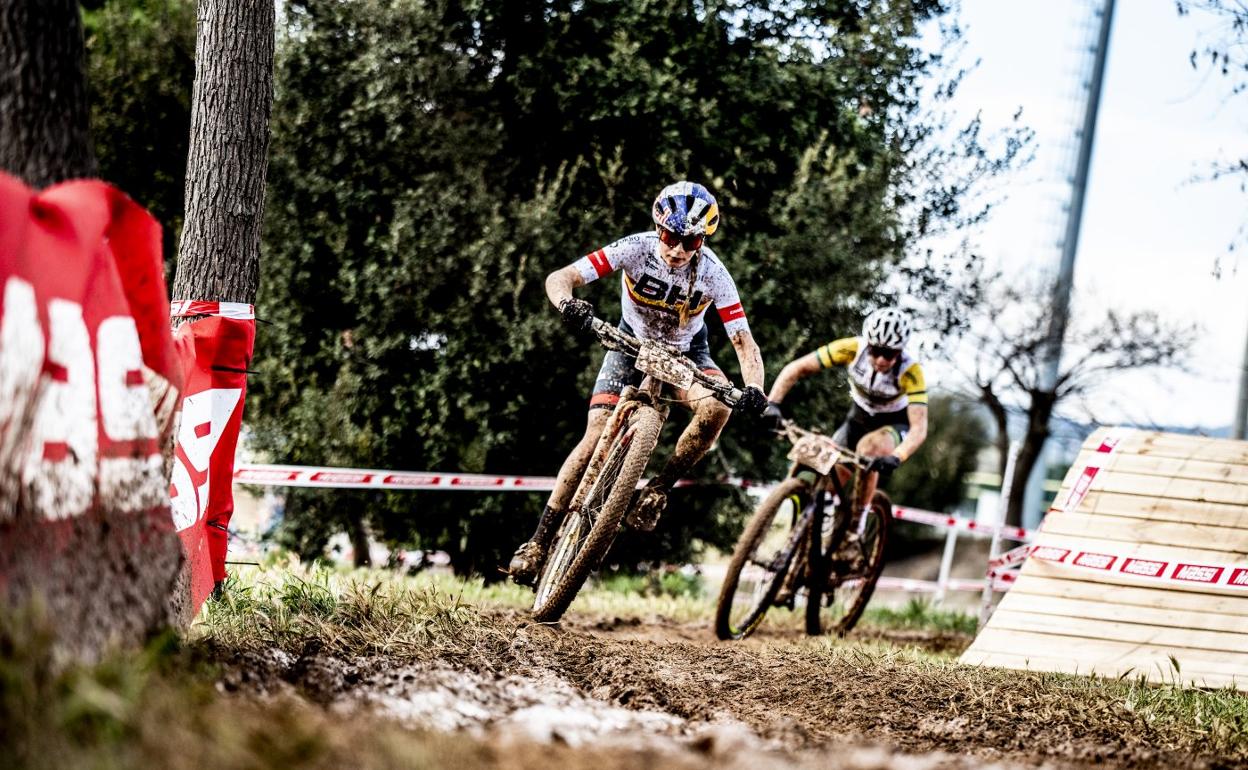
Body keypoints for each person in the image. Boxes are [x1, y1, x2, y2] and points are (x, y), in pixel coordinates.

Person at [507, 181, 768, 585]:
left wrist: (755, 388)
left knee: (718, 407)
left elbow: (742, 340)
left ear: (701, 240)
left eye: (691, 241)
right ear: (658, 228)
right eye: (670, 236)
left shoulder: (715, 274)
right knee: (594, 436)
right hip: (629, 343)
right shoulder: (635, 247)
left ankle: (659, 489)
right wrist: (568, 304)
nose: (678, 249)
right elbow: (561, 277)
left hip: (687, 353)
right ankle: (539, 541)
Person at [763, 308, 928, 514]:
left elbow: (919, 428)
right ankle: (815, 528)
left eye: (889, 353)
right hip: (858, 418)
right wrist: (773, 403)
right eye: (875, 351)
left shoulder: (911, 371)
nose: (881, 360)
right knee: (830, 479)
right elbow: (797, 368)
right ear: (867, 344)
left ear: (900, 351)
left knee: (869, 450)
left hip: (893, 422)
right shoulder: (851, 348)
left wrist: (897, 456)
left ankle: (857, 525)